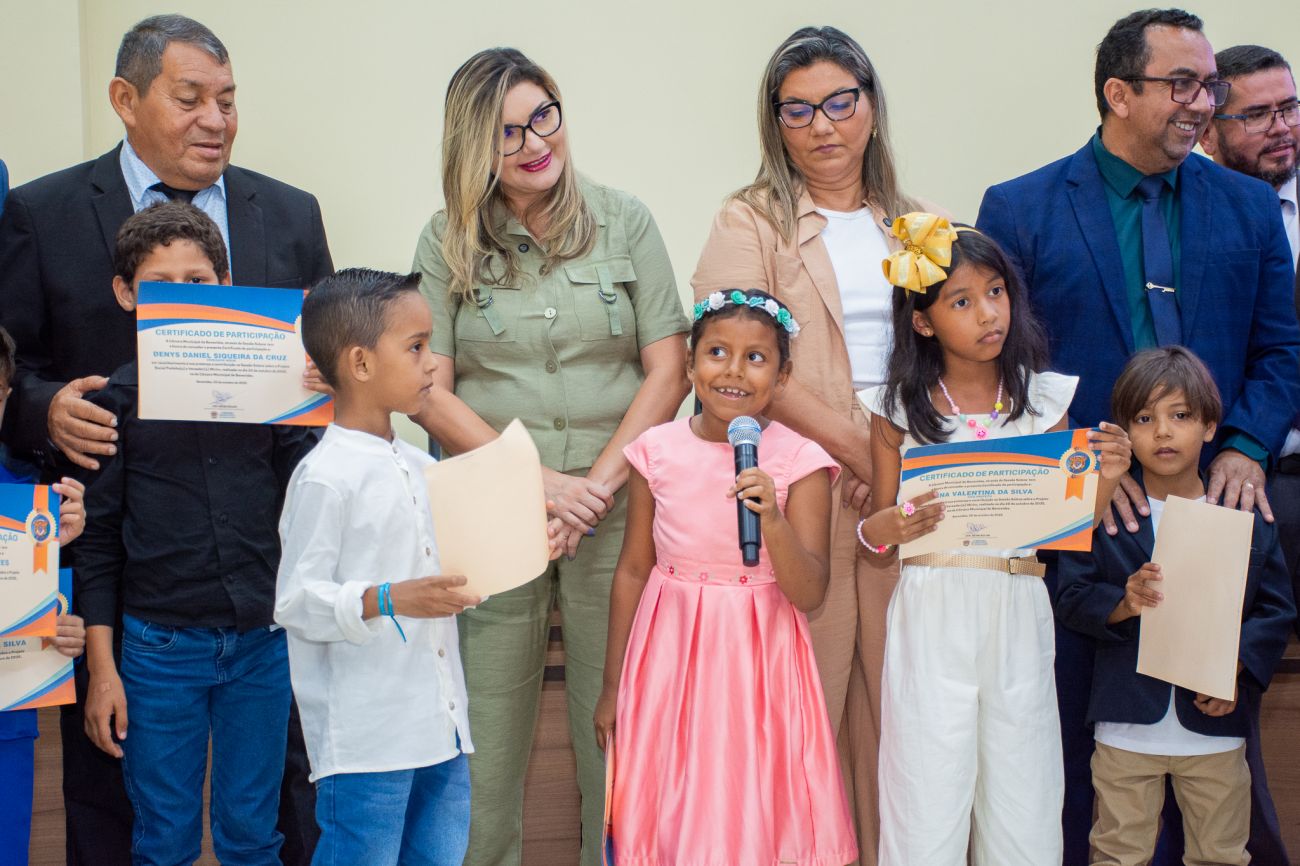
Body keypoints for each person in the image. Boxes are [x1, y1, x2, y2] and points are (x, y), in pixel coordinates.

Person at [0, 15, 333, 863]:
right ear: (126, 98)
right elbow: (12, 365)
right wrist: (44, 408)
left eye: (228, 100)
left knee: (274, 799)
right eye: (190, 99)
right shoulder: (40, 211)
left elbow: (324, 374)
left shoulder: (289, 213)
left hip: (260, 582)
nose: (215, 120)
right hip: (114, 557)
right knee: (123, 797)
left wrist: (326, 377)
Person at [975, 10, 1300, 863]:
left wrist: (1246, 446)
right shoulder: (1021, 208)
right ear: (1118, 94)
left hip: (1216, 512)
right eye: (1182, 84)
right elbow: (1003, 367)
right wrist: (1085, 463)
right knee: (1090, 758)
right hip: (1091, 530)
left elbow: (1282, 350)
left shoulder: (1249, 206)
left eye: (1209, 86)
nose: (1203, 103)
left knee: (1218, 752)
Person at [411, 47, 689, 866]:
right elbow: (427, 390)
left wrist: (589, 491)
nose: (536, 142)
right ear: (473, 146)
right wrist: (537, 485)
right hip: (493, 515)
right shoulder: (445, 238)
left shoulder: (625, 219)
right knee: (485, 736)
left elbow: (670, 368)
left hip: (618, 511)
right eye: (508, 132)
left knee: (618, 724)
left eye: (544, 116)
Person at [690, 27, 937, 858]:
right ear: (775, 122)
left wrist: (893, 468)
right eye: (797, 110)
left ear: (871, 105)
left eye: (840, 103)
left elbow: (944, 354)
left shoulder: (913, 223)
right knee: (803, 708)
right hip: (802, 487)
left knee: (899, 713)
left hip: (904, 492)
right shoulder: (747, 219)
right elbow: (744, 366)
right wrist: (864, 456)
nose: (823, 126)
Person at [855, 216, 1130, 865]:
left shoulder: (1044, 403)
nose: (988, 313)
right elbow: (874, 534)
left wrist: (1108, 478)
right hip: (931, 609)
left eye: (996, 291)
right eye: (961, 301)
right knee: (926, 789)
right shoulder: (897, 409)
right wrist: (885, 529)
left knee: (1023, 790)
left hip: (1017, 603)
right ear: (923, 322)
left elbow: (1069, 528)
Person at [74, 202, 316, 865]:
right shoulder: (112, 405)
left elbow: (312, 492)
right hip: (158, 651)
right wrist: (103, 671)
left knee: (252, 836)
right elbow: (97, 544)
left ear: (226, 284)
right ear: (127, 294)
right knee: (163, 840)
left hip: (262, 643)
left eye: (199, 281)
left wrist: (317, 399)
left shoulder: (273, 391)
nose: (184, 296)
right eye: (161, 284)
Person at [596, 288, 856, 866]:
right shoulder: (654, 451)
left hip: (758, 663)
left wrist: (773, 519)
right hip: (669, 662)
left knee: (751, 803)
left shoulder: (801, 462)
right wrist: (613, 687)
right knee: (673, 807)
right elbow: (633, 569)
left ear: (781, 376)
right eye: (716, 352)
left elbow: (810, 590)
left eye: (755, 358)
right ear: (690, 366)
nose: (734, 371)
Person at [1056, 346, 1295, 866]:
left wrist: (1236, 666)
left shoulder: (1242, 516)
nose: (1163, 432)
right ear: (1124, 432)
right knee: (1117, 854)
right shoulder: (1104, 517)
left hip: (1215, 733)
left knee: (1221, 855)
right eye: (1144, 419)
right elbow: (1071, 597)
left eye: (1180, 415)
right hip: (1125, 728)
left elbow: (1276, 610)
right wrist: (1123, 602)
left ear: (1210, 426)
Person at [276, 268, 482, 866]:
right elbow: (296, 602)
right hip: (367, 742)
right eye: (416, 347)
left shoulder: (422, 467)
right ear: (361, 363)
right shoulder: (324, 476)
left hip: (441, 728)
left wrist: (507, 553)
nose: (432, 364)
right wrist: (388, 598)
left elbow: (445, 578)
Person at [1201, 44, 1300, 629]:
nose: (1282, 127)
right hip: (1226, 483)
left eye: (1289, 108)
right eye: (1258, 115)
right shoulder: (1185, 220)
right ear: (1207, 132)